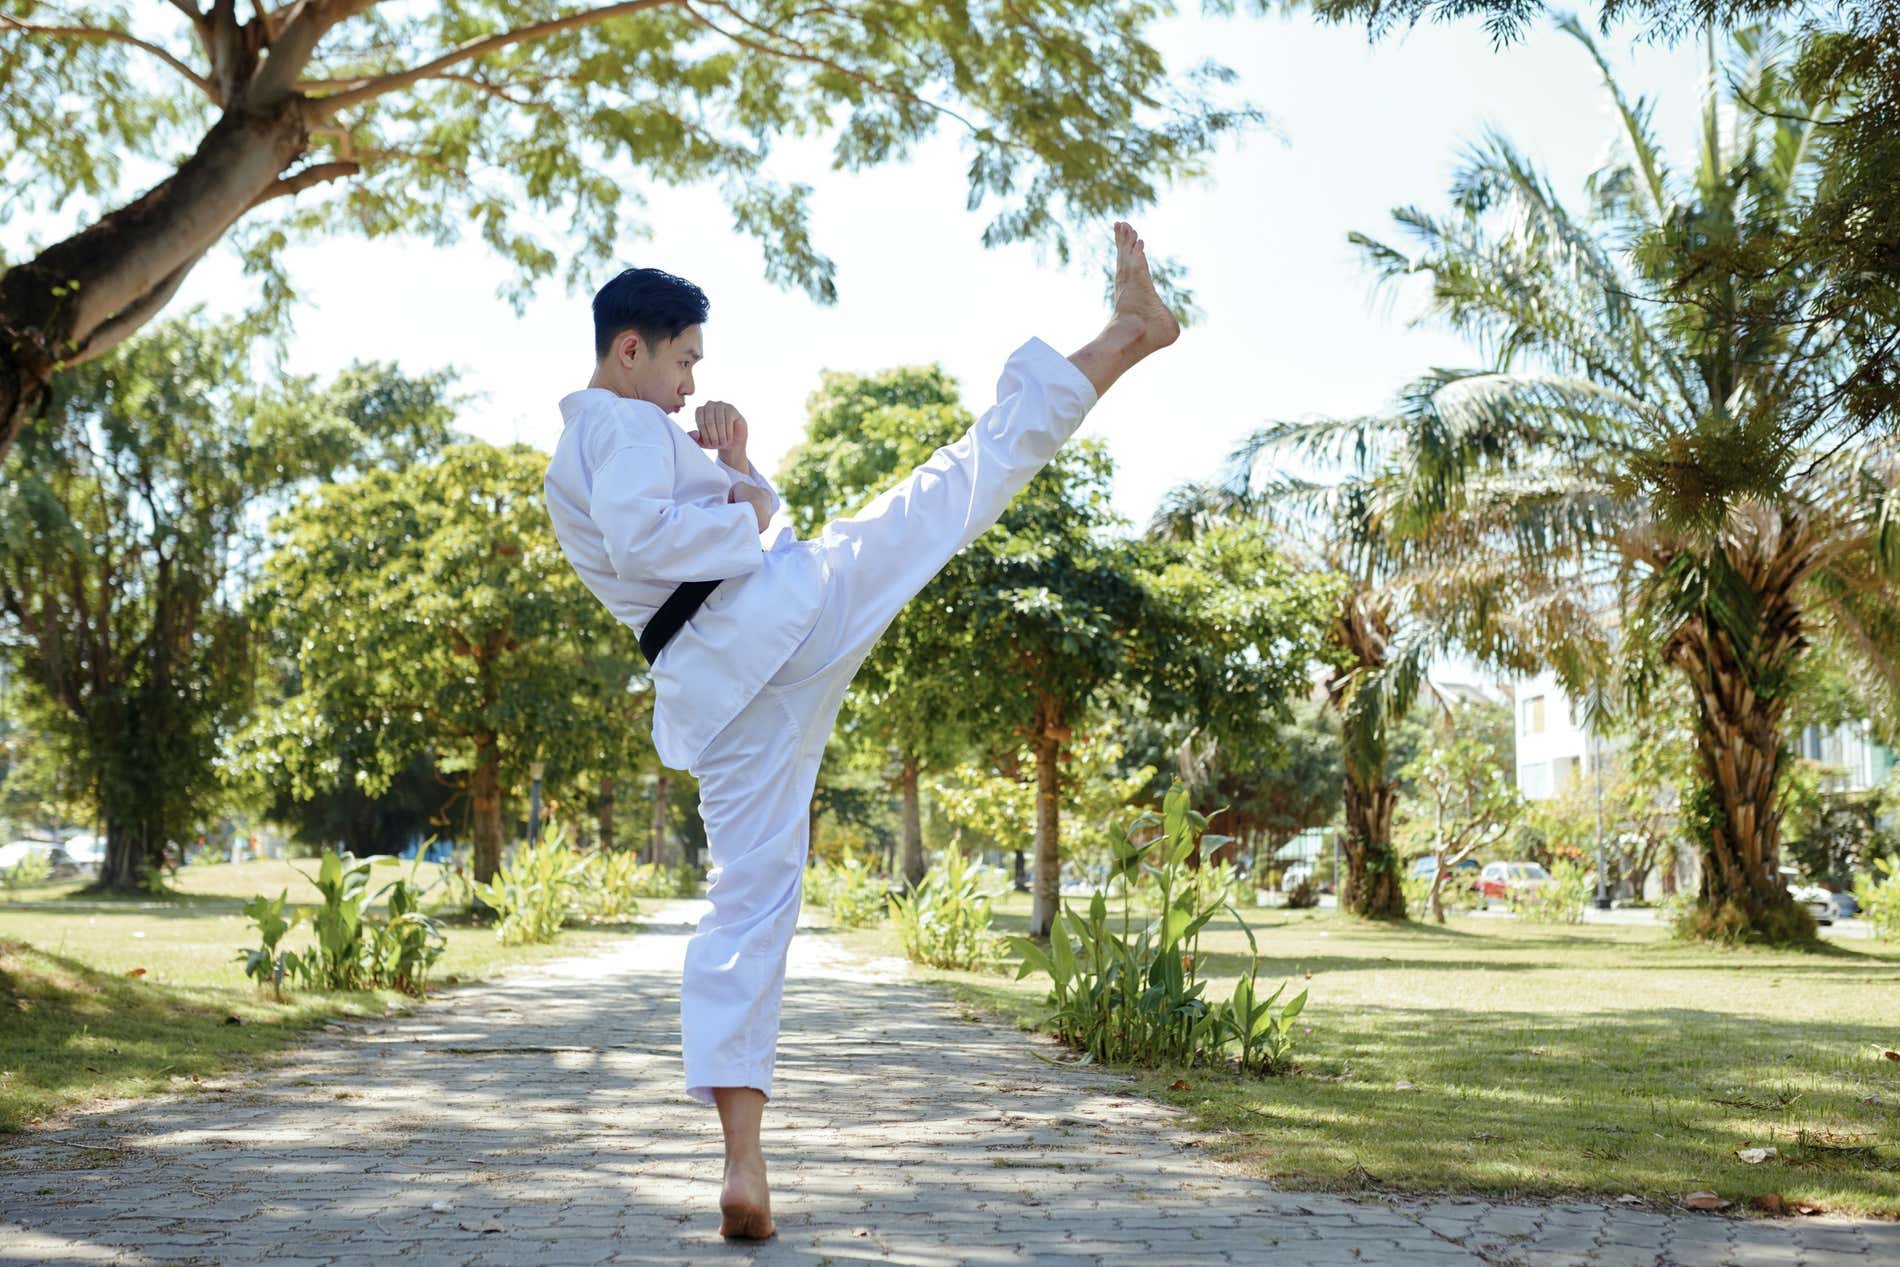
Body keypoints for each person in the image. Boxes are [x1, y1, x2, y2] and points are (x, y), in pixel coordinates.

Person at [543, 222, 1179, 1239]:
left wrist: (741, 471)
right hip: (774, 620)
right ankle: (1125, 337)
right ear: (632, 347)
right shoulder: (614, 427)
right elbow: (652, 538)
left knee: (747, 910)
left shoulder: (604, 443)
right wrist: (745, 514)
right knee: (944, 494)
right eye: (684, 359)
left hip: (726, 689)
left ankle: (743, 1167)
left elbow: (671, 536)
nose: (688, 380)